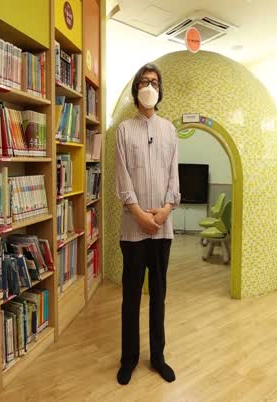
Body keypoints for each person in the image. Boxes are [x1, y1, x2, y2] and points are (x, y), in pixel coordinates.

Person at [114, 63, 180, 385]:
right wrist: (141, 215)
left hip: (162, 230)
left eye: (154, 82)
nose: (149, 87)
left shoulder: (169, 130)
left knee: (158, 296)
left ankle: (157, 357)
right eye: (144, 82)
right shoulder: (124, 130)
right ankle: (128, 359)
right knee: (131, 297)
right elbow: (122, 178)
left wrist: (165, 210)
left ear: (160, 89)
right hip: (133, 230)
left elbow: (173, 177)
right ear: (136, 89)